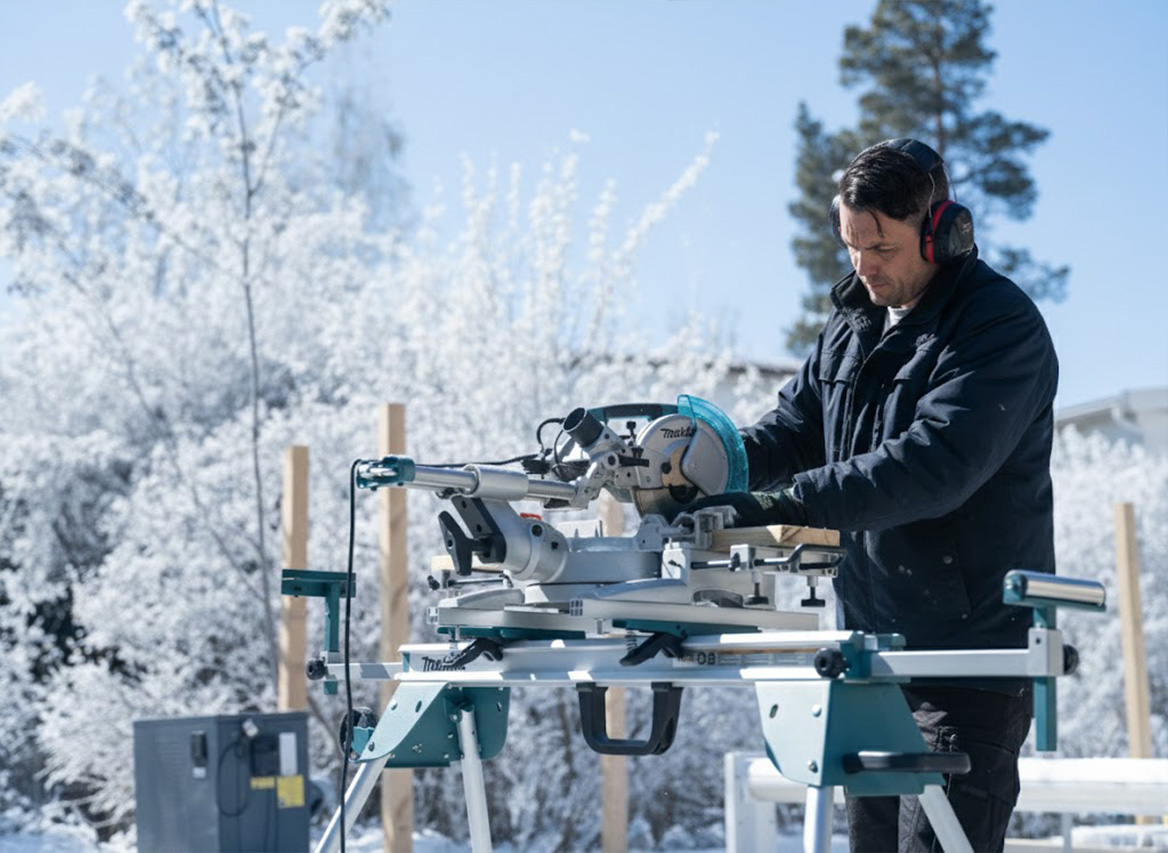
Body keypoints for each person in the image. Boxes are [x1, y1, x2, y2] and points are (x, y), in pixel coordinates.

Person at [688, 139, 1058, 852]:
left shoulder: (998, 327)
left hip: (969, 660)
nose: (864, 265)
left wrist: (787, 506)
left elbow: (932, 465)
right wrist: (705, 467)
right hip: (872, 652)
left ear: (943, 231)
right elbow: (795, 431)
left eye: (881, 247)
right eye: (851, 244)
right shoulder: (852, 324)